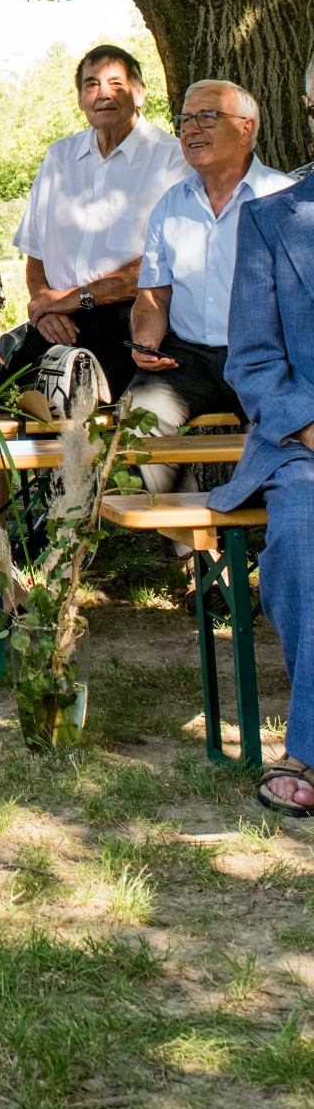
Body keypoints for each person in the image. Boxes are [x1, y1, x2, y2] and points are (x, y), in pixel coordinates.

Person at [211, 52, 314, 819]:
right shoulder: (274, 219)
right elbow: (252, 362)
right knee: (307, 543)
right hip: (301, 443)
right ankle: (308, 748)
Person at [130, 81, 290, 489]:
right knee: (139, 416)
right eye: (185, 119)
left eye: (207, 116)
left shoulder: (285, 199)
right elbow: (154, 291)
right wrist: (146, 341)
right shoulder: (170, 204)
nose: (191, 129)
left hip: (268, 356)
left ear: (245, 128)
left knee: (290, 427)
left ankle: (271, 532)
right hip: (190, 357)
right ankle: (188, 544)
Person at [11, 45, 182, 400]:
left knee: (92, 415)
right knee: (6, 401)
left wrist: (73, 300)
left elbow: (159, 264)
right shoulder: (60, 156)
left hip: (132, 318)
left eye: (115, 83)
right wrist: (44, 307)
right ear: (79, 99)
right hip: (60, 320)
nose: (103, 94)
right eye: (91, 85)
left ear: (140, 92)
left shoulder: (172, 158)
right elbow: (36, 251)